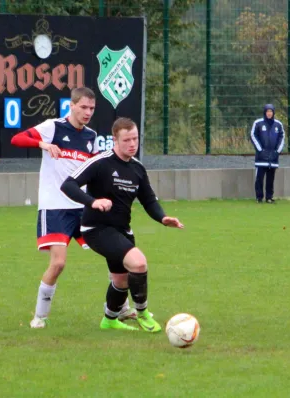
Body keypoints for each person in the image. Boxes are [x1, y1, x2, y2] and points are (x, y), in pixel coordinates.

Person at [61, 117, 184, 332]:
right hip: (96, 229)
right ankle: (143, 313)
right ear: (115, 141)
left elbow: (149, 200)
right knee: (138, 263)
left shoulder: (137, 169)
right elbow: (68, 185)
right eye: (127, 140)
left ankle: (109, 320)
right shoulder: (101, 162)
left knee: (122, 279)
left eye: (135, 139)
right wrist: (93, 201)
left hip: (122, 230)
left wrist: (163, 218)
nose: (132, 144)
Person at [11, 87, 103, 329]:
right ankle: (40, 316)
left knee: (116, 251)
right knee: (59, 263)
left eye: (91, 108)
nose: (87, 112)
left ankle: (119, 310)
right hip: (55, 207)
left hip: (82, 207)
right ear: (71, 106)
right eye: (83, 107)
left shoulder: (91, 135)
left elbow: (95, 170)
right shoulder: (53, 127)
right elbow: (17, 139)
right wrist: (44, 144)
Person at [250, 104, 285, 203]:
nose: (269, 113)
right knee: (259, 178)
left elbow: (282, 138)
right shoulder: (258, 123)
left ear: (273, 113)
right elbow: (253, 135)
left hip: (273, 158)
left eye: (271, 111)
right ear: (265, 112)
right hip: (261, 158)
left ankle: (269, 197)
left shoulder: (278, 124)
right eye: (267, 111)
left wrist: (277, 152)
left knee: (270, 179)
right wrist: (260, 150)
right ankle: (259, 197)